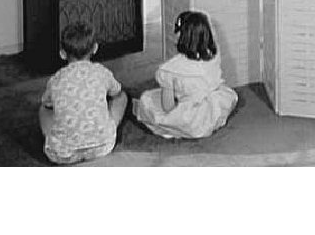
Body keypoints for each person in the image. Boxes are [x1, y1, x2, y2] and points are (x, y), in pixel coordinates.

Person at [133, 11, 238, 139]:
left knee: (147, 99)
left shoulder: (169, 69)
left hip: (189, 119)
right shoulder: (213, 54)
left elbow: (168, 107)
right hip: (213, 109)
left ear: (181, 35)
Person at [39, 21, 128, 165]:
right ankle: (106, 129)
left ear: (62, 54)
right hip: (102, 147)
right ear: (95, 48)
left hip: (62, 153)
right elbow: (116, 92)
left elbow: (47, 103)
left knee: (43, 109)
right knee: (122, 97)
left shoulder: (56, 79)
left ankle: (55, 138)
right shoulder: (101, 72)